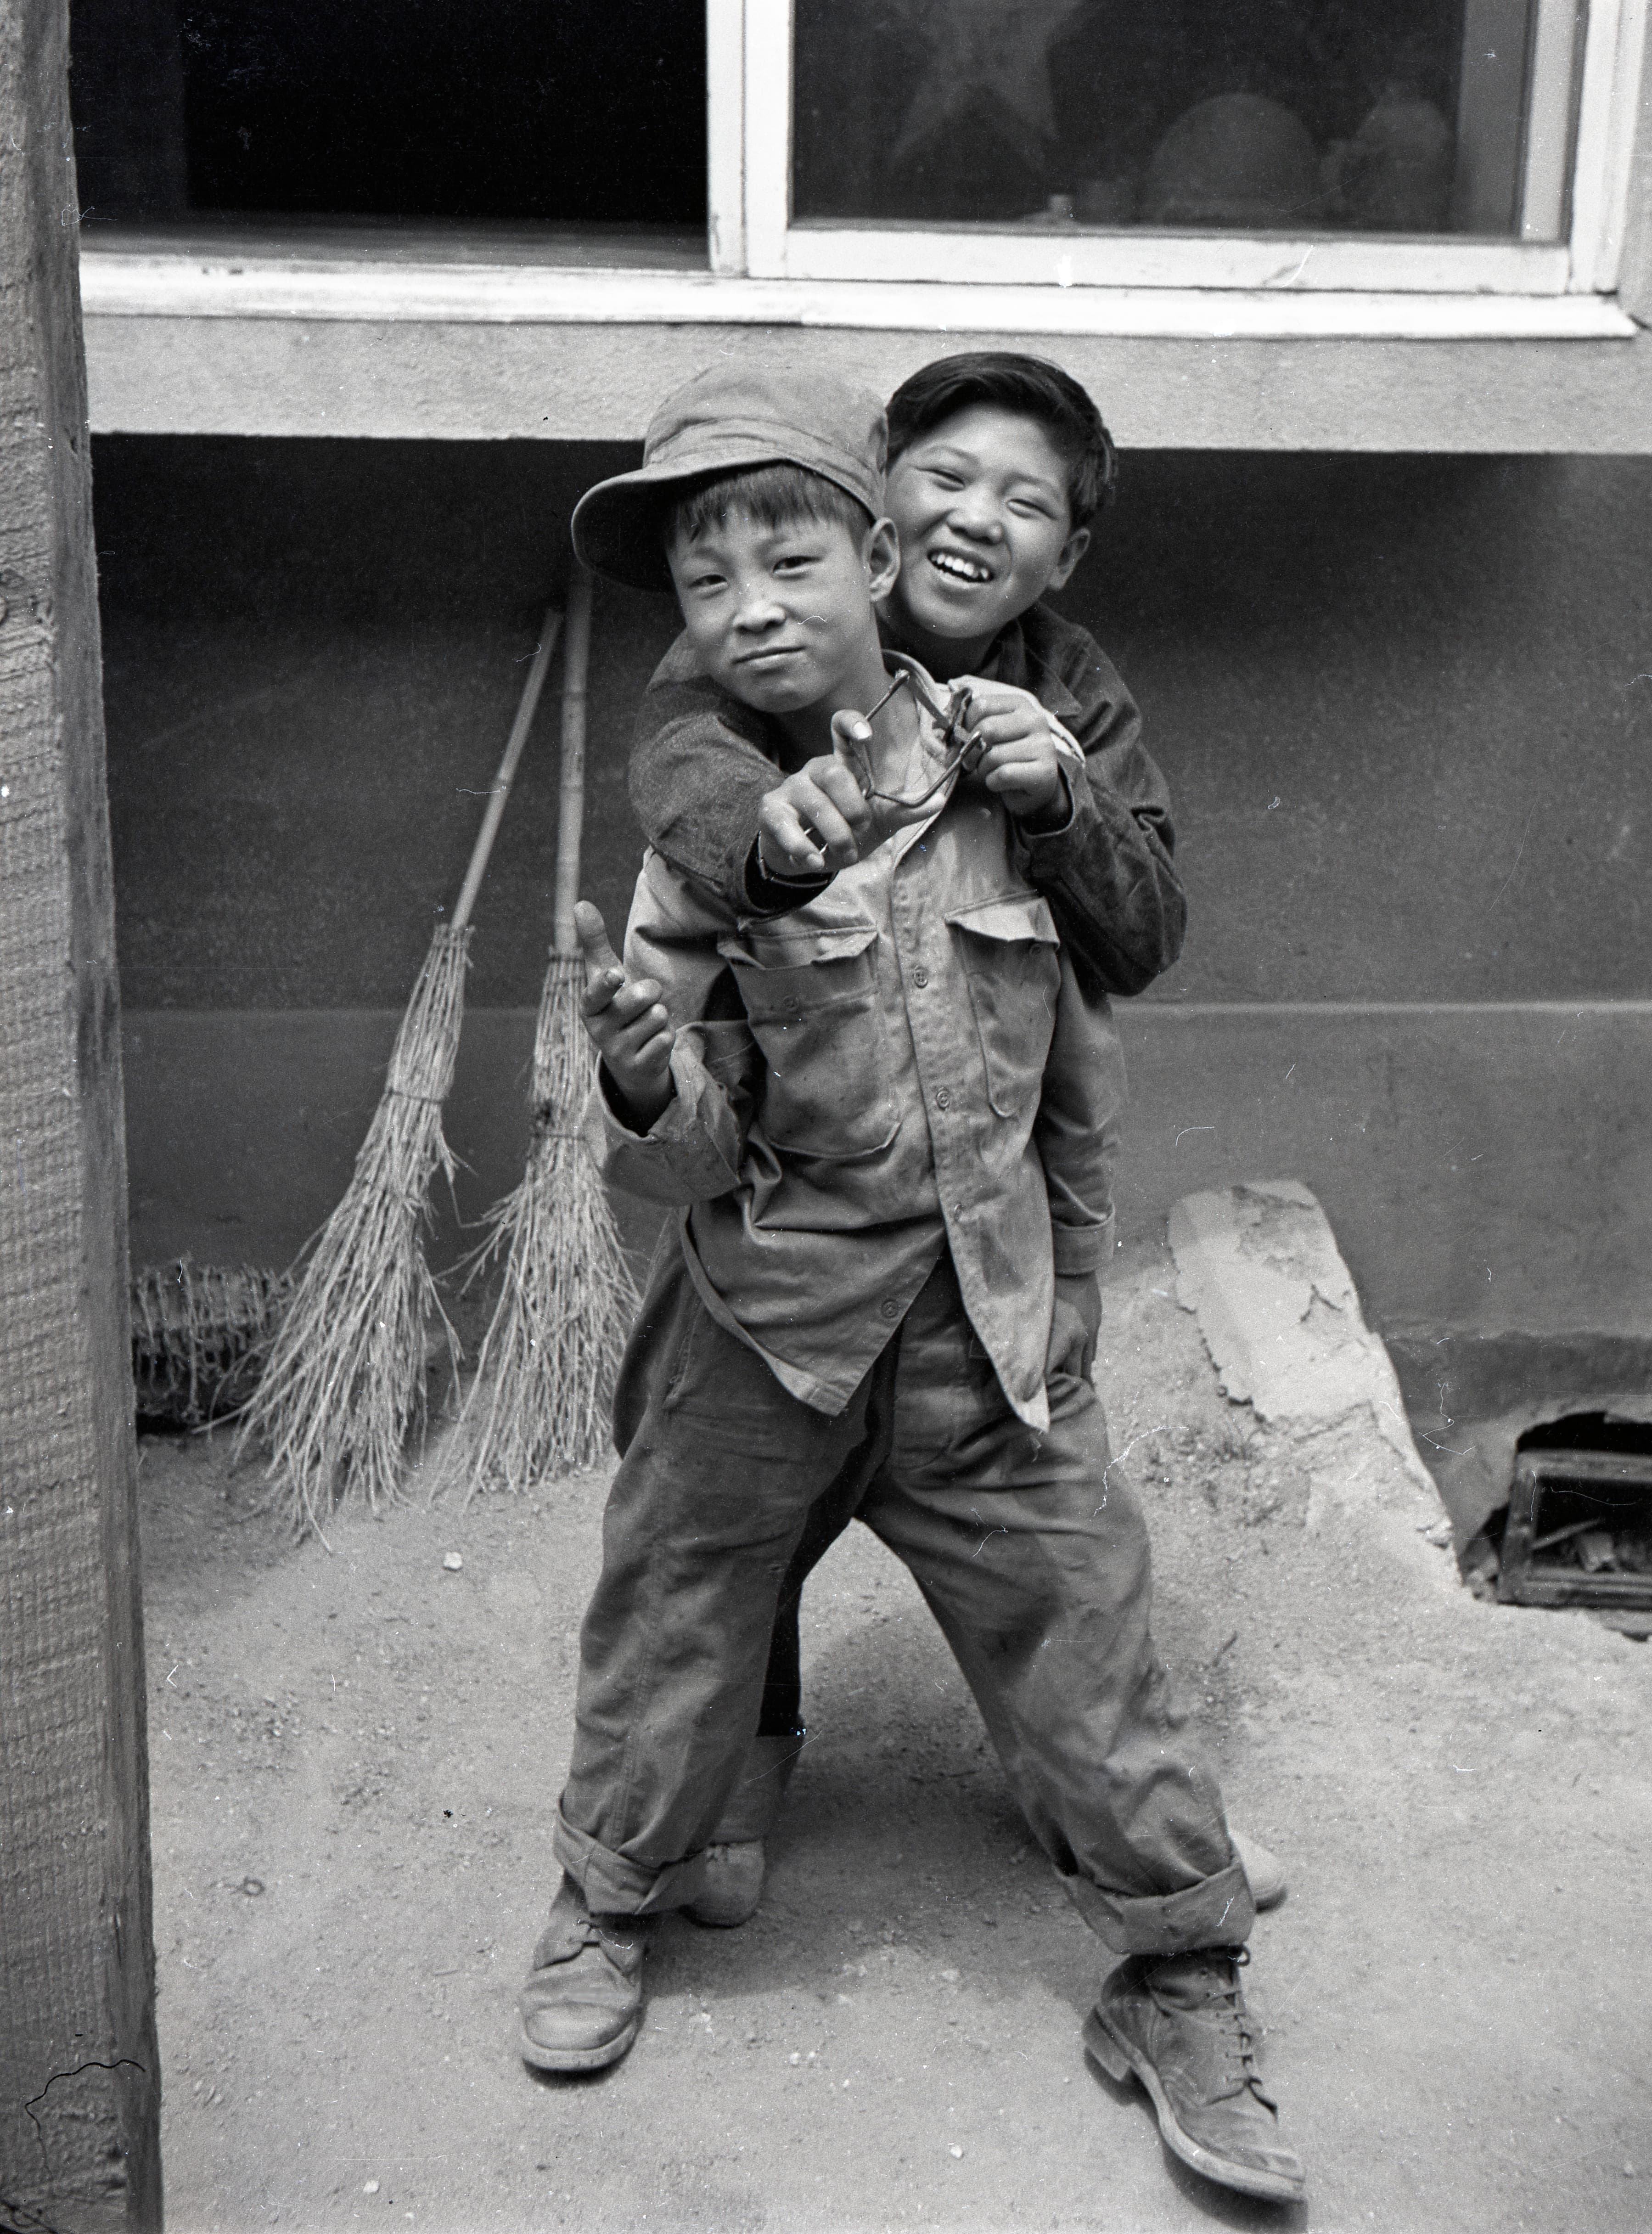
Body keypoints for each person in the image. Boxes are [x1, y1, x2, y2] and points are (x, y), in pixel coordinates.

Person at [516, 365, 1306, 2206]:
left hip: (983, 1320)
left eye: (795, 557)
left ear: (874, 554)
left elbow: (1098, 1034)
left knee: (1089, 1624)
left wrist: (1078, 1296)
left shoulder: (1027, 754)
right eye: (710, 585)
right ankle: (607, 1896)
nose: (753, 606)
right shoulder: (708, 794)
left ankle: (1178, 1976)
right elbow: (692, 1145)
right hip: (771, 1323)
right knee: (676, 1614)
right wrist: (643, 1057)